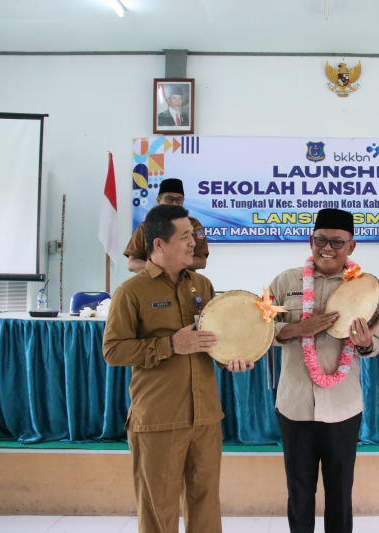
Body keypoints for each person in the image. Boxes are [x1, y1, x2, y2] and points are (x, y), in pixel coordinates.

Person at [103, 204, 253, 533]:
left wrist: (234, 358)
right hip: (159, 419)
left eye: (193, 236)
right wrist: (171, 345)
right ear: (159, 244)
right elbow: (113, 351)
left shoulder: (202, 284)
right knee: (160, 509)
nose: (193, 244)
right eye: (185, 237)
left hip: (206, 418)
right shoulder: (131, 292)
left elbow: (215, 340)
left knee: (206, 505)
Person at [268, 208, 379, 533]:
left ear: (352, 247)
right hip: (295, 407)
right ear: (311, 240)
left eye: (337, 242)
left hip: (343, 409)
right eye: (320, 240)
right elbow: (263, 325)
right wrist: (297, 329)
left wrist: (363, 344)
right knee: (300, 494)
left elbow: (376, 343)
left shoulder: (365, 287)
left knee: (339, 497)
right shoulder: (286, 281)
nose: (327, 248)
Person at [125, 178, 208, 273]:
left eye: (179, 199)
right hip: (152, 282)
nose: (174, 203)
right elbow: (132, 263)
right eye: (169, 199)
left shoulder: (193, 225)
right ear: (158, 200)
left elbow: (201, 262)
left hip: (185, 283)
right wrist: (160, 268)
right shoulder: (145, 227)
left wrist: (168, 264)